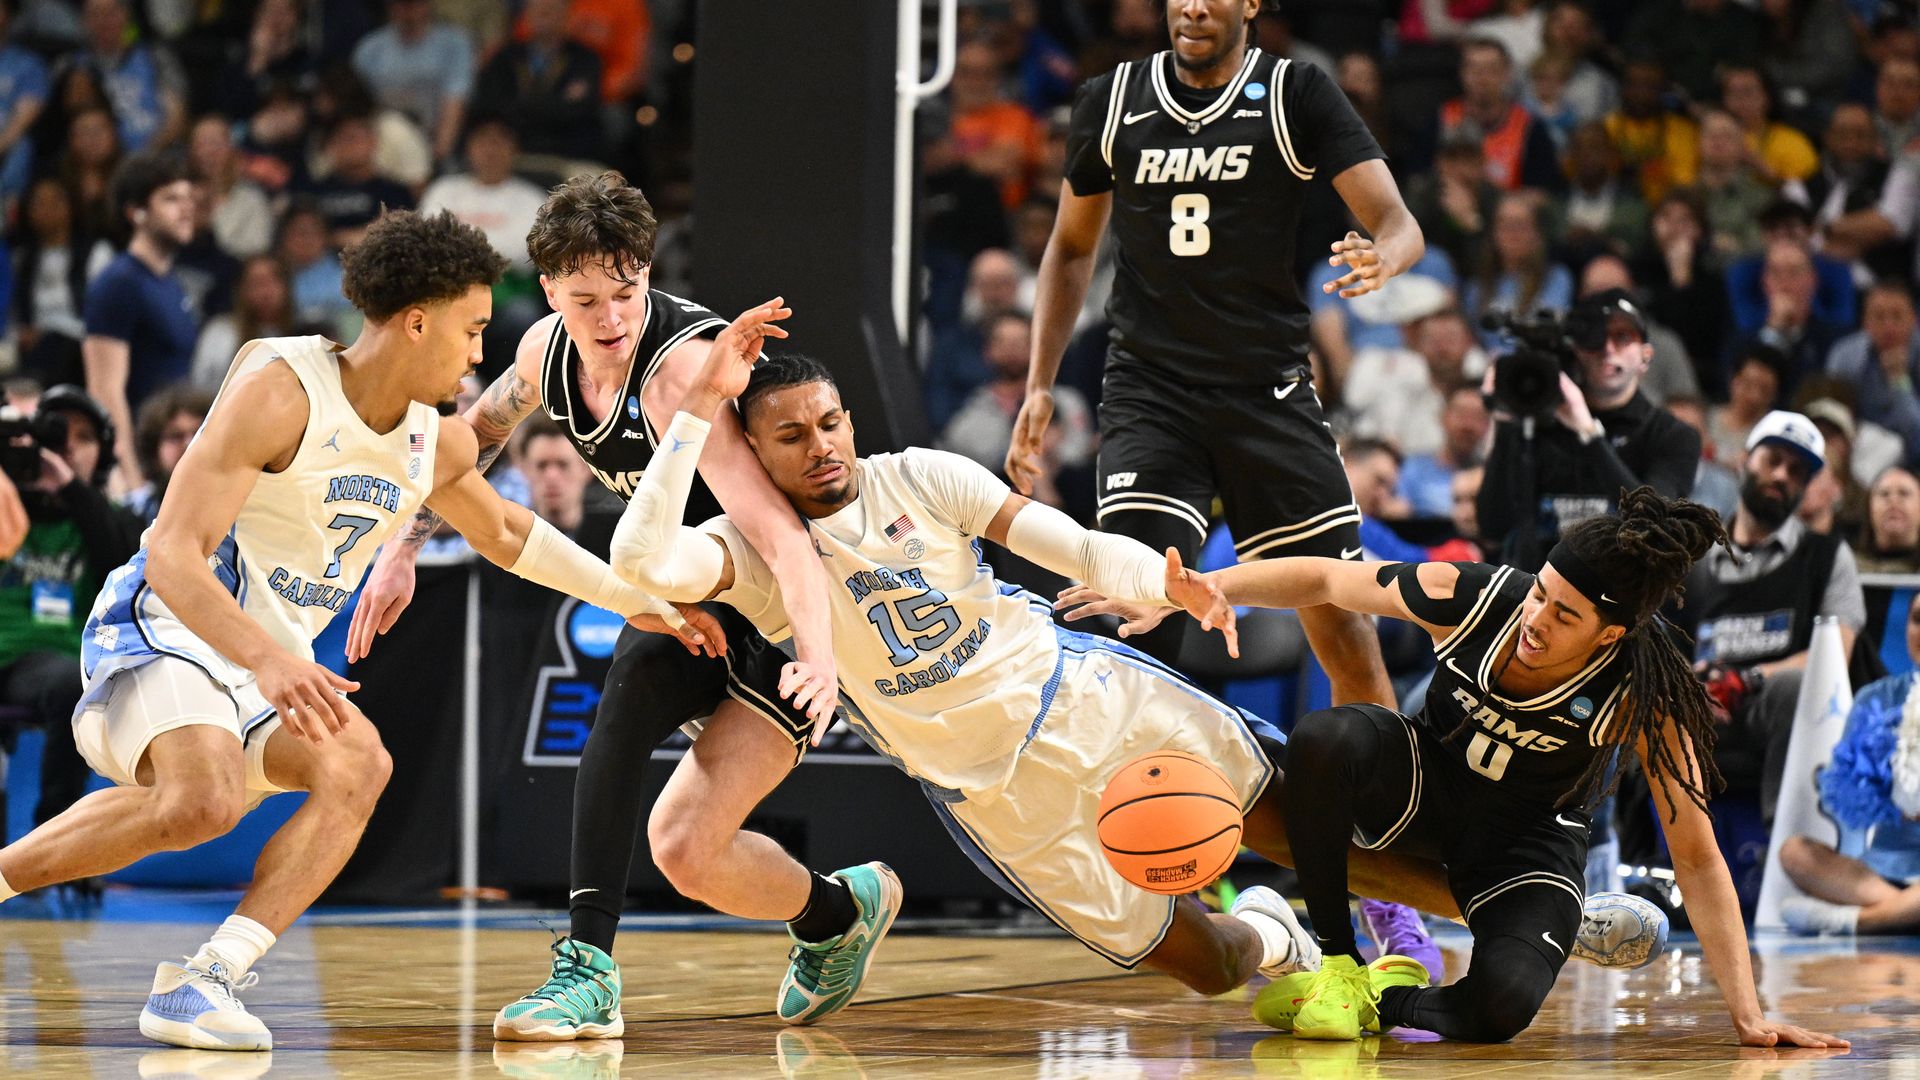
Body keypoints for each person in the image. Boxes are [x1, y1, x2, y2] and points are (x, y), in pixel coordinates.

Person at [614, 349, 1645, 1006]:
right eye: (791, 437)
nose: (823, 446)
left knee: (1288, 823)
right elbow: (645, 565)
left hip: (1092, 700)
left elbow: (1056, 539)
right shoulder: (744, 555)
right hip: (1000, 800)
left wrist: (1163, 579)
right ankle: (1276, 940)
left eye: (830, 421)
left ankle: (1514, 913)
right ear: (751, 447)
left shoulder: (916, 476)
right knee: (1209, 970)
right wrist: (693, 425)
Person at [0, 209, 716, 1051]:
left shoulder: (431, 440)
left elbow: (508, 535)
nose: (480, 354)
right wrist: (269, 661)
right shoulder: (280, 386)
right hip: (175, 626)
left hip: (264, 660)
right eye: (472, 330)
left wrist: (624, 593)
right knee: (206, 799)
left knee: (357, 765)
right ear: (418, 322)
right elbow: (170, 555)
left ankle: (206, 980)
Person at [348, 173, 875, 1040]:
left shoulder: (678, 374)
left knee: (633, 735)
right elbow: (472, 440)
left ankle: (588, 970)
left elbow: (783, 541)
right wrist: (404, 549)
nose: (610, 318)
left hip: (776, 603)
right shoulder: (543, 356)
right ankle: (834, 915)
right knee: (686, 847)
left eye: (626, 292)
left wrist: (816, 659)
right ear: (548, 290)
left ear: (647, 275)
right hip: (682, 595)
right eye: (585, 299)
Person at [1065, 487, 1845, 1048]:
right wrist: (1196, 594)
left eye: (1565, 616)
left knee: (1500, 1008)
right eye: (1542, 594)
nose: (1536, 621)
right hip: (1425, 783)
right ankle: (1336, 960)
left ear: (1609, 637)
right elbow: (1325, 579)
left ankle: (1383, 999)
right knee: (1326, 739)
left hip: (1524, 847)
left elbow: (1699, 855)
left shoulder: (1641, 696)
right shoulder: (1480, 597)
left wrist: (1748, 1012)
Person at [1009, 0, 1424, 709]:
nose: (1193, 6)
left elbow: (1398, 222)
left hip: (1266, 389)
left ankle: (1386, 804)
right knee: (1135, 613)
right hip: (1152, 392)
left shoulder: (1296, 94)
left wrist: (1385, 258)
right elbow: (1072, 247)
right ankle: (1133, 809)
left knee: (1342, 629)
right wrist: (1040, 384)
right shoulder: (1111, 101)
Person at [1678, 411, 1866, 824]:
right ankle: (1633, 860)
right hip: (1701, 710)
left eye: (1797, 471)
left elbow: (1833, 658)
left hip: (1774, 710)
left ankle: (1787, 846)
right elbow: (1667, 652)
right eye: (1773, 460)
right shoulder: (1694, 559)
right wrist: (1695, 689)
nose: (1782, 476)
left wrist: (1745, 680)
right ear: (1745, 460)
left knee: (1798, 686)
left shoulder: (1827, 555)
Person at [0, 386, 141, 843]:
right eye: (56, 432)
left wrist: (71, 489)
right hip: (6, 653)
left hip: (57, 665)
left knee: (73, 685)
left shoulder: (106, 517)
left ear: (102, 453)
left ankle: (53, 842)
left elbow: (127, 560)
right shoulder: (5, 504)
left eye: (83, 437)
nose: (67, 445)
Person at [1475, 289, 1700, 570]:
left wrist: (1589, 434)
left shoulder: (1672, 435)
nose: (1607, 349)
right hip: (1538, 591)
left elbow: (1655, 527)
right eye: (1593, 338)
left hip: (1623, 594)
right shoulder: (1540, 424)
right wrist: (1506, 419)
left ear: (1646, 356)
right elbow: (1492, 527)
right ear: (1575, 349)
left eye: (1623, 337)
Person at [1779, 592, 1920, 935]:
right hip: (1884, 872)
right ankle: (1901, 912)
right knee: (1795, 852)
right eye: (1918, 620)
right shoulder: (1878, 699)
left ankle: (1855, 921)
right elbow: (1842, 799)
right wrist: (1881, 792)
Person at [82, 149, 200, 489]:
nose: (186, 207)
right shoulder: (117, 283)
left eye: (189, 197)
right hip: (141, 468)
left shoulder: (171, 281)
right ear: (137, 213)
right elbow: (105, 390)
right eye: (171, 199)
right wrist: (131, 478)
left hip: (171, 459)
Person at [121, 385, 213, 524]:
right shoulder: (133, 515)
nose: (189, 444)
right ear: (153, 451)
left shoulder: (241, 508)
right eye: (175, 436)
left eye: (198, 433)